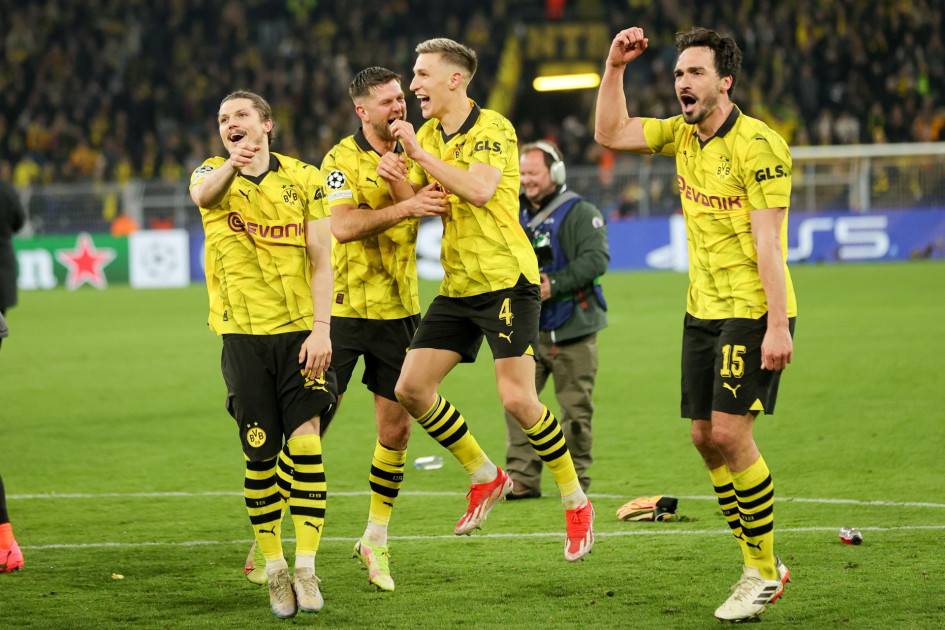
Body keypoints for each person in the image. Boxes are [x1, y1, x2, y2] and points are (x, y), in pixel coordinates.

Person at [594, 26, 796, 622]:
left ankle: (761, 571)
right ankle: (758, 558)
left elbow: (769, 245)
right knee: (705, 438)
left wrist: (778, 326)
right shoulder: (681, 135)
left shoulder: (759, 146)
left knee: (731, 435)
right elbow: (609, 133)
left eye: (696, 72)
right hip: (701, 309)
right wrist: (614, 67)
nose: (683, 81)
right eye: (679, 72)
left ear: (725, 81)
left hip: (752, 310)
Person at [376, 38, 595, 562]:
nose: (413, 84)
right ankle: (484, 474)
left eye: (422, 74)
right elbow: (425, 203)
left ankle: (576, 501)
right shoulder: (430, 134)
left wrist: (418, 156)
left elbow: (478, 191)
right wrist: (397, 183)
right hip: (459, 284)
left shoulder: (493, 128)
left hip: (506, 280)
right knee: (410, 389)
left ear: (455, 79)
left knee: (518, 399)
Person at [189, 90, 335, 618]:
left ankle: (306, 569)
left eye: (241, 115)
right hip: (242, 337)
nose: (230, 123)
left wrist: (322, 330)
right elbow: (203, 198)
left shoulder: (305, 178)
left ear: (266, 124)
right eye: (223, 118)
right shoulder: (211, 173)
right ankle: (274, 569)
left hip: (299, 336)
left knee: (307, 444)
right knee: (260, 455)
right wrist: (233, 163)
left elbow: (322, 259)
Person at [504, 141, 609, 499]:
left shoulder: (580, 212)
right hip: (525, 329)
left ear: (556, 172)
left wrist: (555, 283)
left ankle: (574, 482)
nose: (527, 180)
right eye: (523, 173)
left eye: (534, 172)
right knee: (518, 403)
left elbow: (596, 259)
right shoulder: (509, 209)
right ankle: (522, 478)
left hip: (574, 328)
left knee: (575, 412)